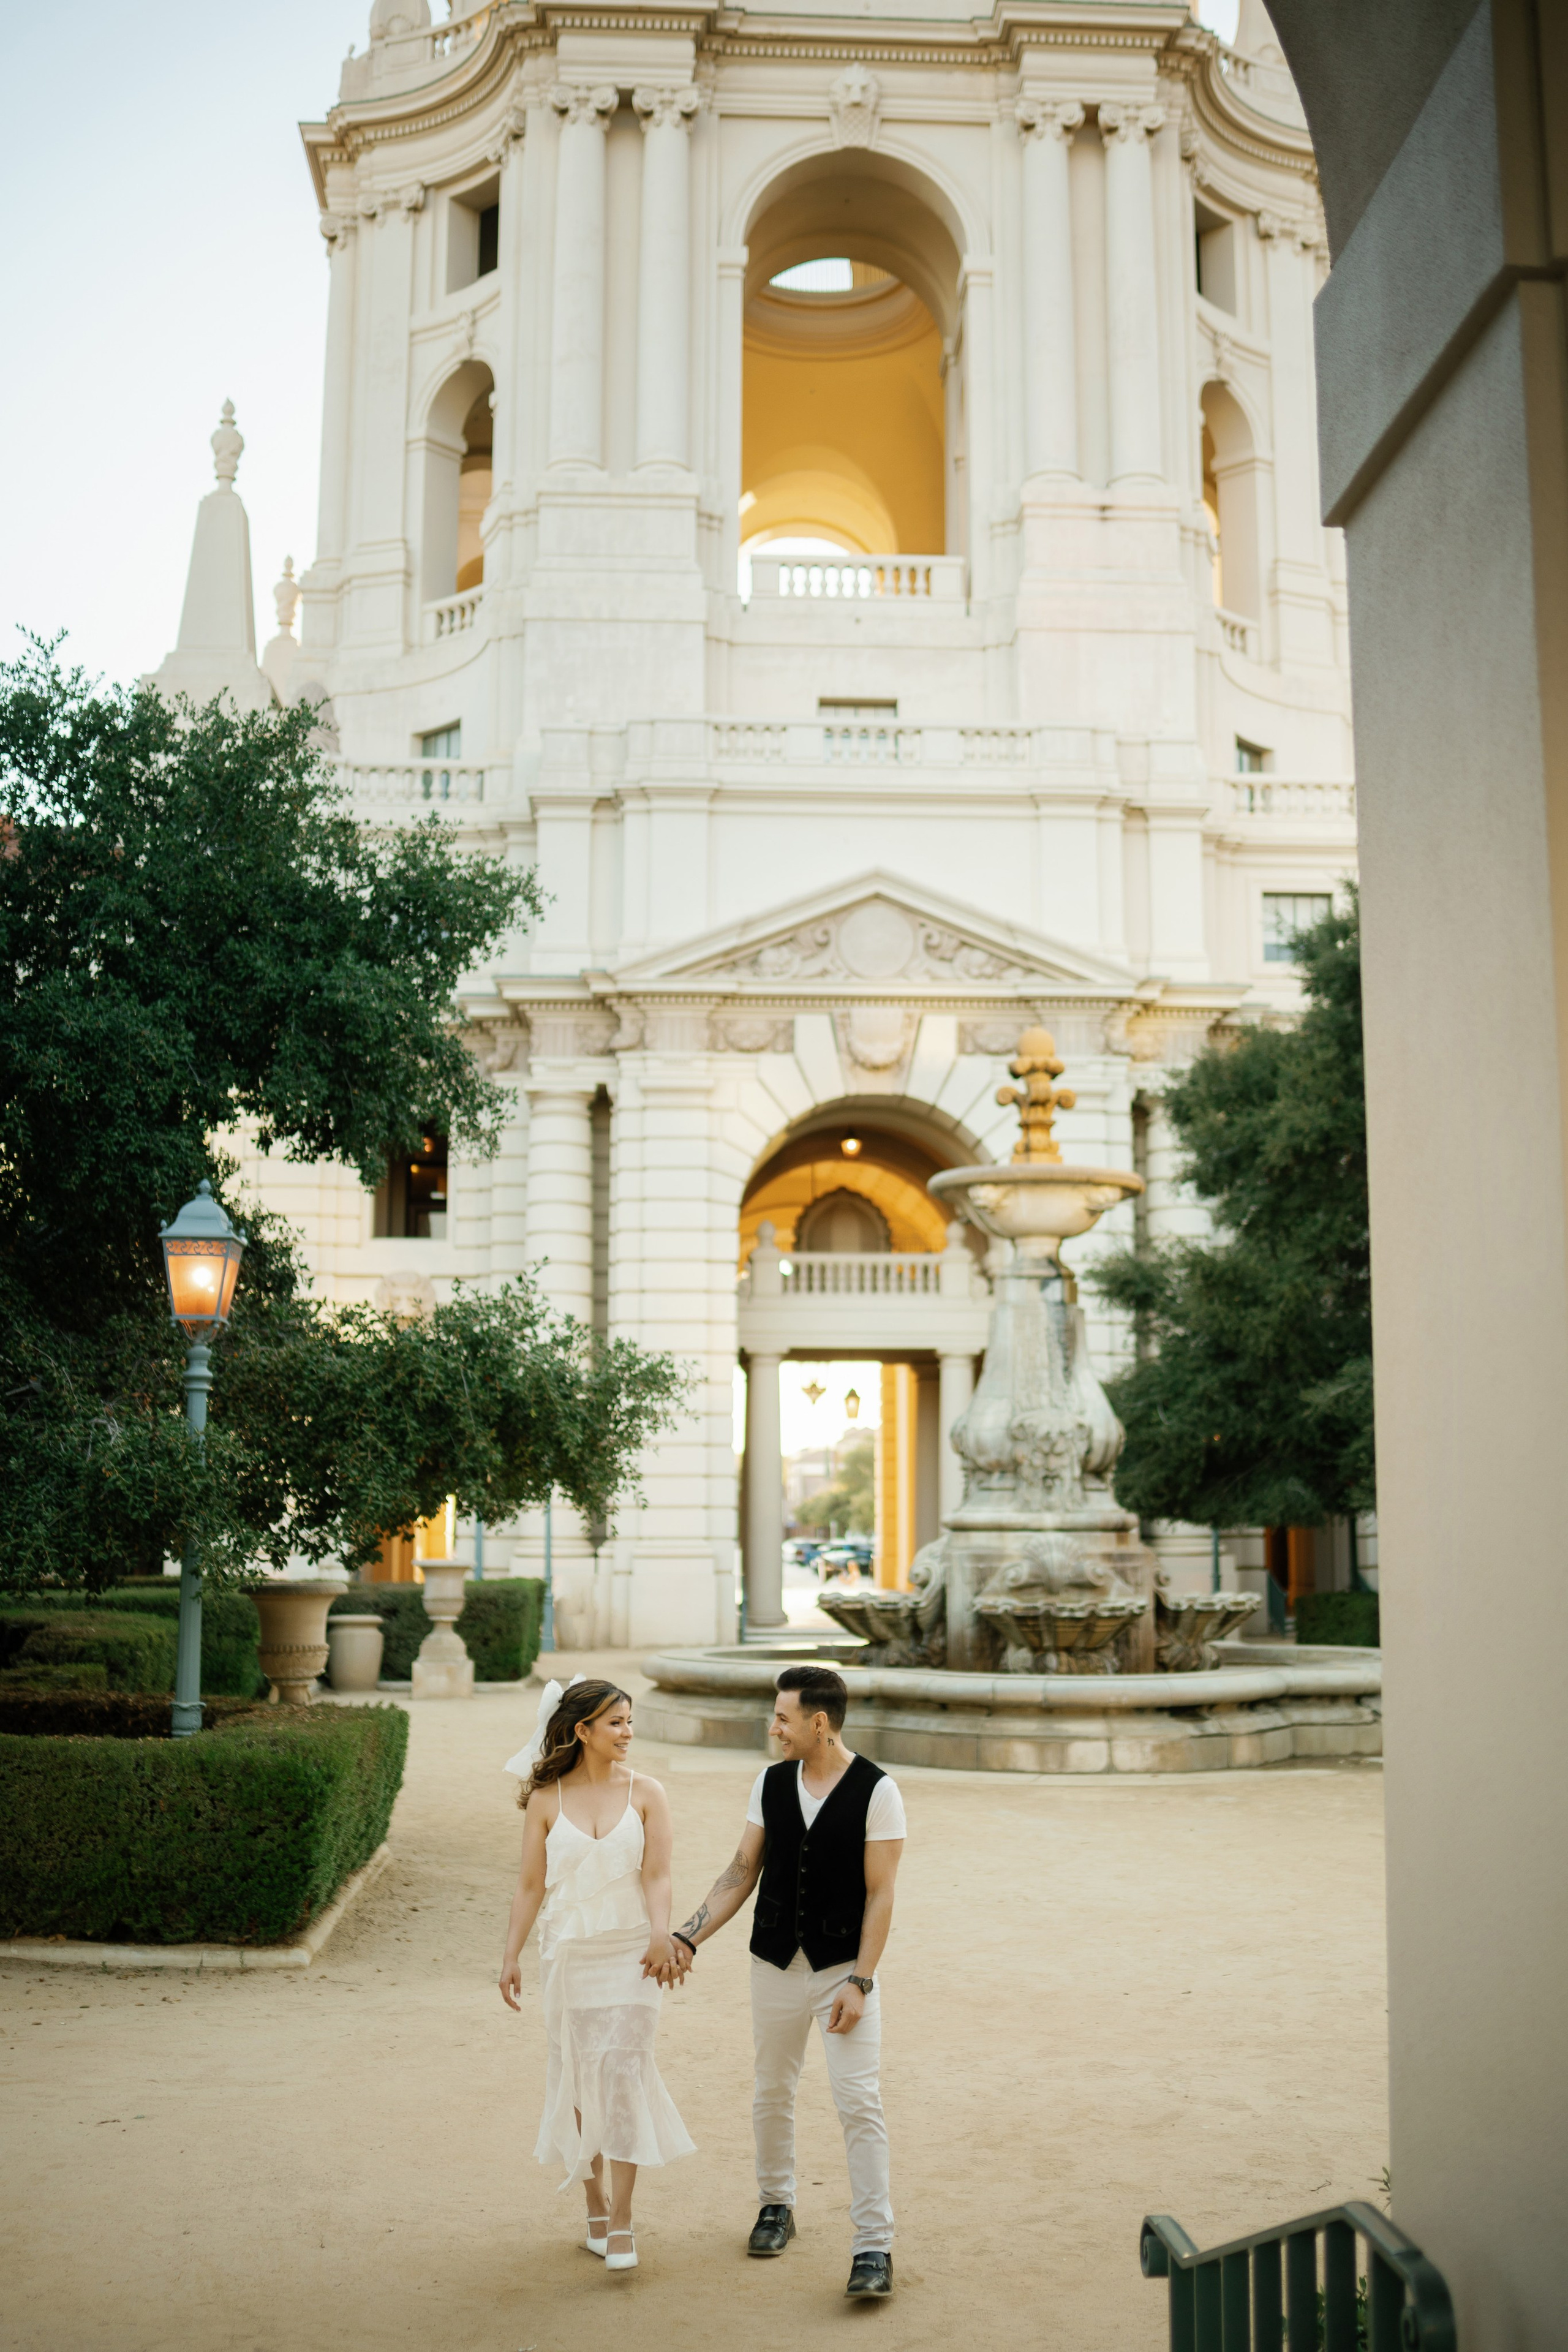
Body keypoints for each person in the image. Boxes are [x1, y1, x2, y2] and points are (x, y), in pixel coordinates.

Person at [666, 1664, 904, 2299]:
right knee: (772, 2089)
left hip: (841, 1973)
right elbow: (741, 1871)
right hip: (773, 1962)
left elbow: (881, 1895)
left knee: (859, 2102)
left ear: (818, 1723)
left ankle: (874, 2245)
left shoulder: (878, 1791)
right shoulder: (770, 1783)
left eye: (782, 1718)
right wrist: (687, 1936)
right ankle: (776, 2205)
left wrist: (861, 1980)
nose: (773, 1728)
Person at [499, 1676, 694, 2274]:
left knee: (625, 2074)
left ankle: (624, 2219)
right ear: (582, 1730)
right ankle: (594, 2207)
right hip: (570, 1955)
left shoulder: (648, 1792)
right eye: (616, 1722)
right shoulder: (546, 1800)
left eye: (630, 1721)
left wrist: (661, 1932)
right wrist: (510, 1957)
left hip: (632, 1952)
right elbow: (530, 1885)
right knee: (581, 2079)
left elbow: (657, 1874)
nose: (628, 1732)